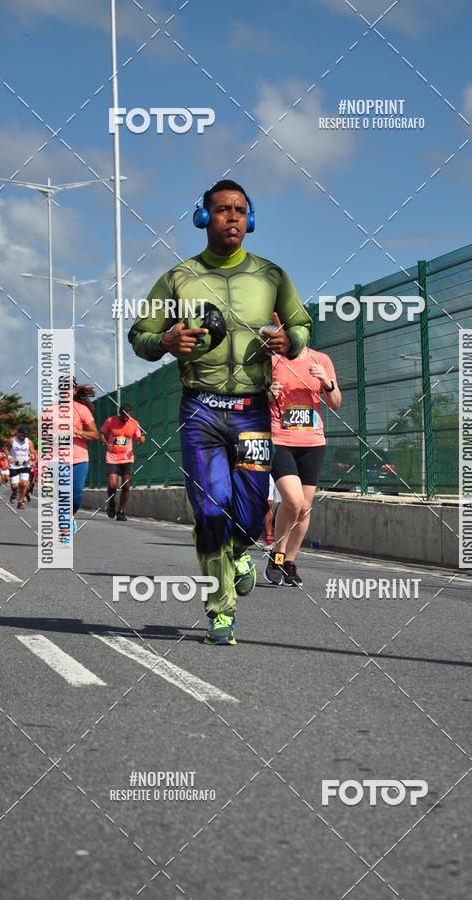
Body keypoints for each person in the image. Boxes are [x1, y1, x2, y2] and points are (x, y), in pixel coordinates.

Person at [129, 179, 311, 645]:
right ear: (203, 217)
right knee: (209, 509)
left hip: (252, 412)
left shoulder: (272, 276)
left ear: (250, 220)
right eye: (222, 209)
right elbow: (141, 335)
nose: (232, 216)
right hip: (201, 411)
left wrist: (291, 341)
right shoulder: (178, 278)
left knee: (251, 515)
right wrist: (165, 341)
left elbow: (300, 325)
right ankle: (220, 610)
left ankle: (241, 550)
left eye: (240, 210)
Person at [264, 346, 341, 587]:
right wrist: (266, 394)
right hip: (279, 440)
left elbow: (336, 403)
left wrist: (327, 382)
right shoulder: (271, 360)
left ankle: (289, 562)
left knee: (305, 508)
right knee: (293, 500)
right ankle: (276, 555)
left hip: (313, 442)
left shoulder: (322, 359)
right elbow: (251, 402)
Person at [100, 404, 145, 521]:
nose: (126, 419)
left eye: (128, 416)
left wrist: (141, 440)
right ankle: (111, 502)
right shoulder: (110, 421)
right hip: (112, 457)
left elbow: (138, 440)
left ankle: (121, 511)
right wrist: (105, 443)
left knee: (126, 486)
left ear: (131, 415)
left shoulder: (134, 423)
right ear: (120, 413)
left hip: (127, 458)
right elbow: (101, 433)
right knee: (112, 485)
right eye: (124, 416)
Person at [70, 380, 99, 532]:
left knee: (75, 495)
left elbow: (95, 435)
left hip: (79, 458)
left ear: (75, 390)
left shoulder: (82, 410)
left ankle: (70, 516)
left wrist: (78, 432)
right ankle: (63, 526)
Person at [6, 427, 34, 509]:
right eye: (22, 435)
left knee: (24, 484)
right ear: (18, 433)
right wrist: (9, 456)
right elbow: (6, 449)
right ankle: (14, 493)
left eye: (25, 435)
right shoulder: (12, 440)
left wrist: (31, 456)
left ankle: (20, 502)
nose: (23, 437)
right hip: (14, 466)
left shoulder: (29, 442)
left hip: (25, 465)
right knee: (15, 486)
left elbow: (33, 453)